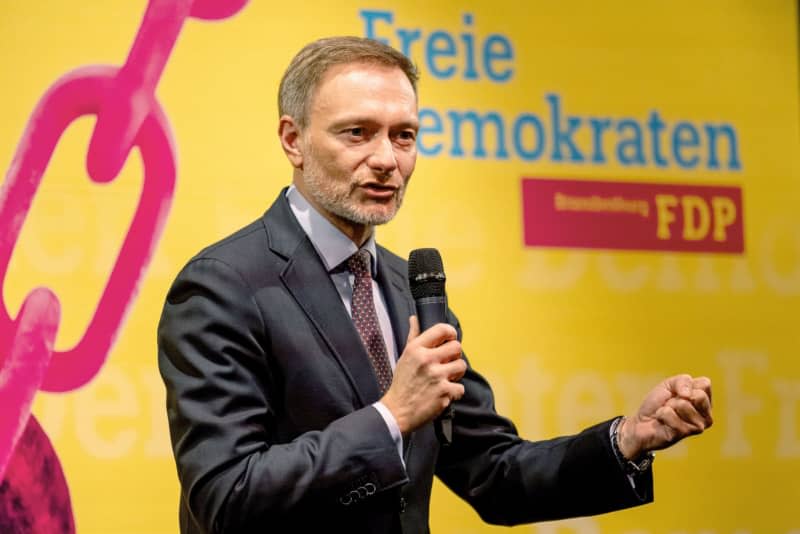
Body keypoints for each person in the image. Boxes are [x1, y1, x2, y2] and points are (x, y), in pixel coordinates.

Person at [158, 36, 713, 534]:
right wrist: (391, 417)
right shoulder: (224, 287)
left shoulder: (410, 288)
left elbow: (494, 473)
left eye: (404, 136)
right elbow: (225, 497)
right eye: (357, 133)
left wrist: (626, 440)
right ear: (293, 139)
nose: (386, 160)